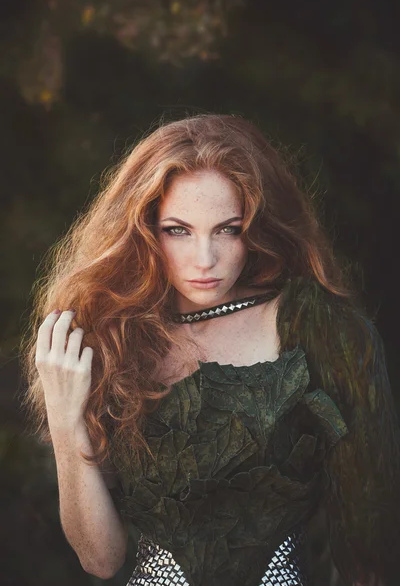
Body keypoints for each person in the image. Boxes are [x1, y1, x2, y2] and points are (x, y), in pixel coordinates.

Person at [20, 114, 400, 586]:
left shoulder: (319, 328)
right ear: (144, 229)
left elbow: (370, 548)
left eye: (228, 229)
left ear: (258, 228)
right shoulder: (114, 339)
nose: (205, 259)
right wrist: (63, 415)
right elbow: (100, 560)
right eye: (178, 230)